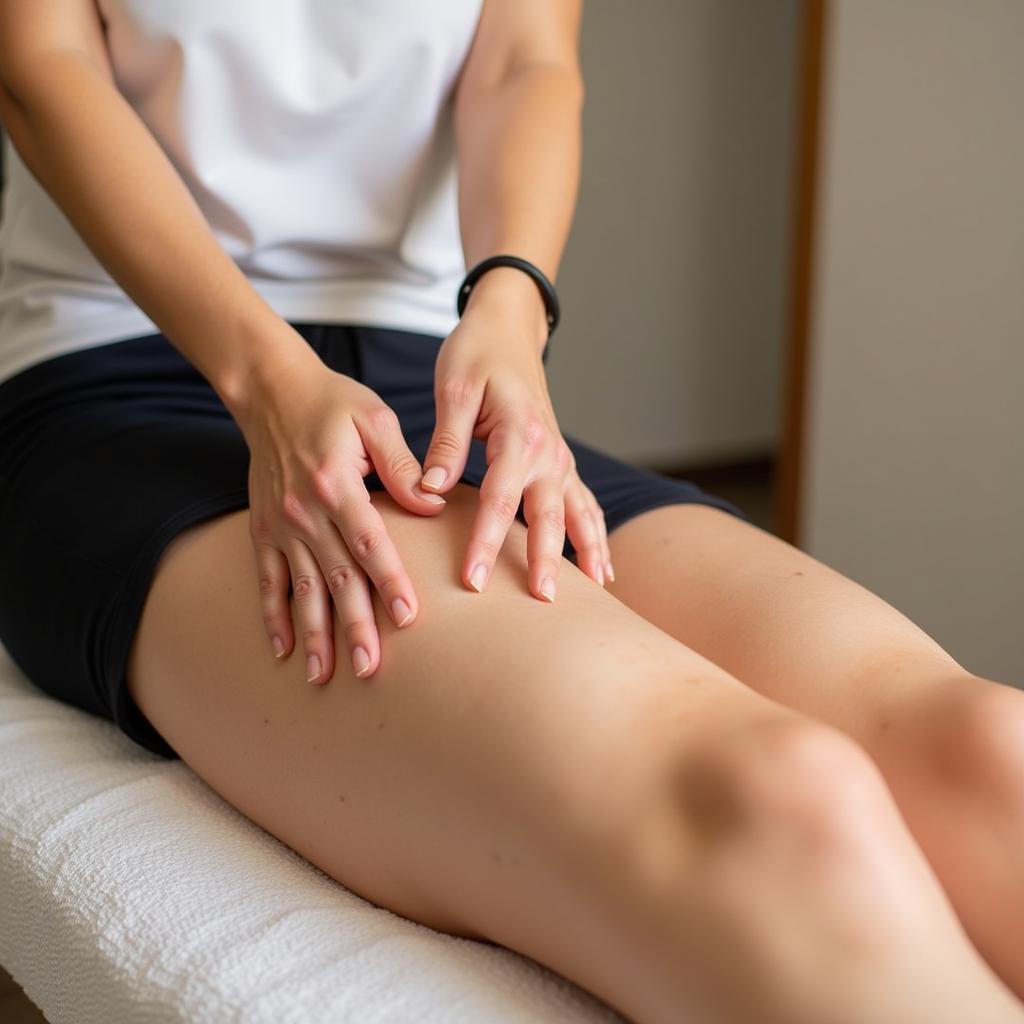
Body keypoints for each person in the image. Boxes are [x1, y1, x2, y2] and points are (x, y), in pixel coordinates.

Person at [0, 3, 1022, 1021]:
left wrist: (510, 311)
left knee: (990, 753)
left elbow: (526, 62)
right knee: (775, 803)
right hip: (130, 373)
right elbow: (41, 68)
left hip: (425, 365)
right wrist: (266, 380)